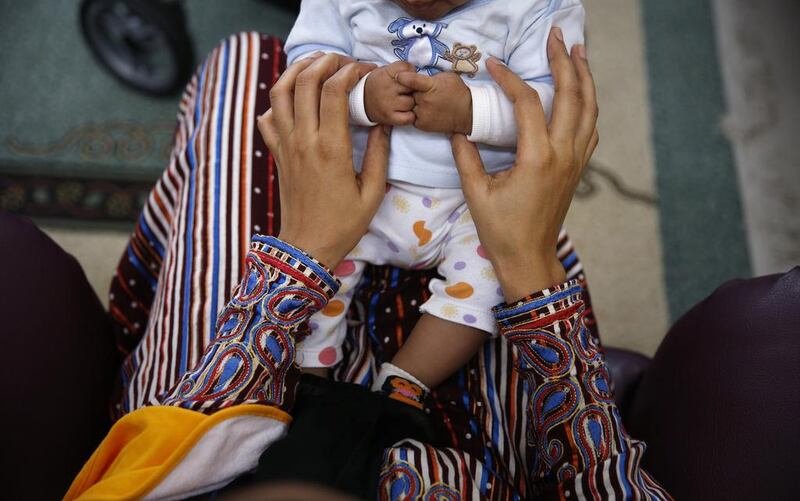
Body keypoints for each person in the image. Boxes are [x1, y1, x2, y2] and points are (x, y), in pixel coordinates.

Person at [64, 29, 671, 499]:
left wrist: (300, 256)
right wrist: (531, 261)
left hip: (205, 439)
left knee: (251, 63)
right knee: (505, 187)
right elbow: (603, 477)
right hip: (467, 452)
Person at [283, 0, 587, 408]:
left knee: (488, 285)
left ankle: (405, 383)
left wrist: (472, 107)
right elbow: (306, 70)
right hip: (355, 187)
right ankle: (307, 377)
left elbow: (553, 108)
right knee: (314, 261)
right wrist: (361, 95)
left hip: (478, 202)